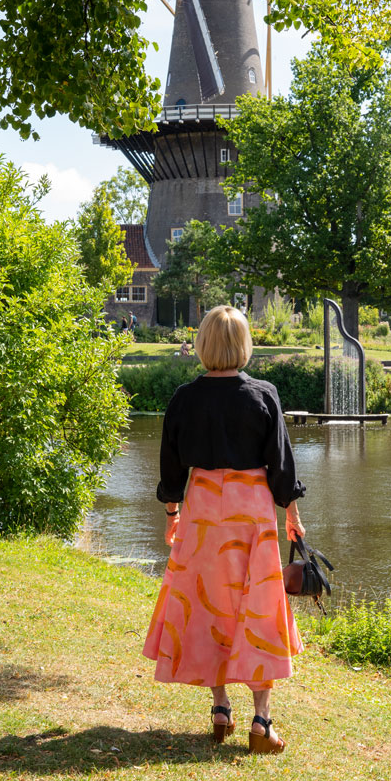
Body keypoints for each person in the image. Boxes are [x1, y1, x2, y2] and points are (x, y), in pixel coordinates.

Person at [142, 305, 306, 754]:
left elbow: (171, 464)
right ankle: (261, 722)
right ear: (243, 344)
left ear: (203, 345)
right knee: (257, 605)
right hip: (251, 510)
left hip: (202, 511)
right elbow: (281, 464)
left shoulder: (184, 398)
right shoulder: (264, 394)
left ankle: (220, 709)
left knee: (208, 603)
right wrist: (292, 514)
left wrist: (172, 513)